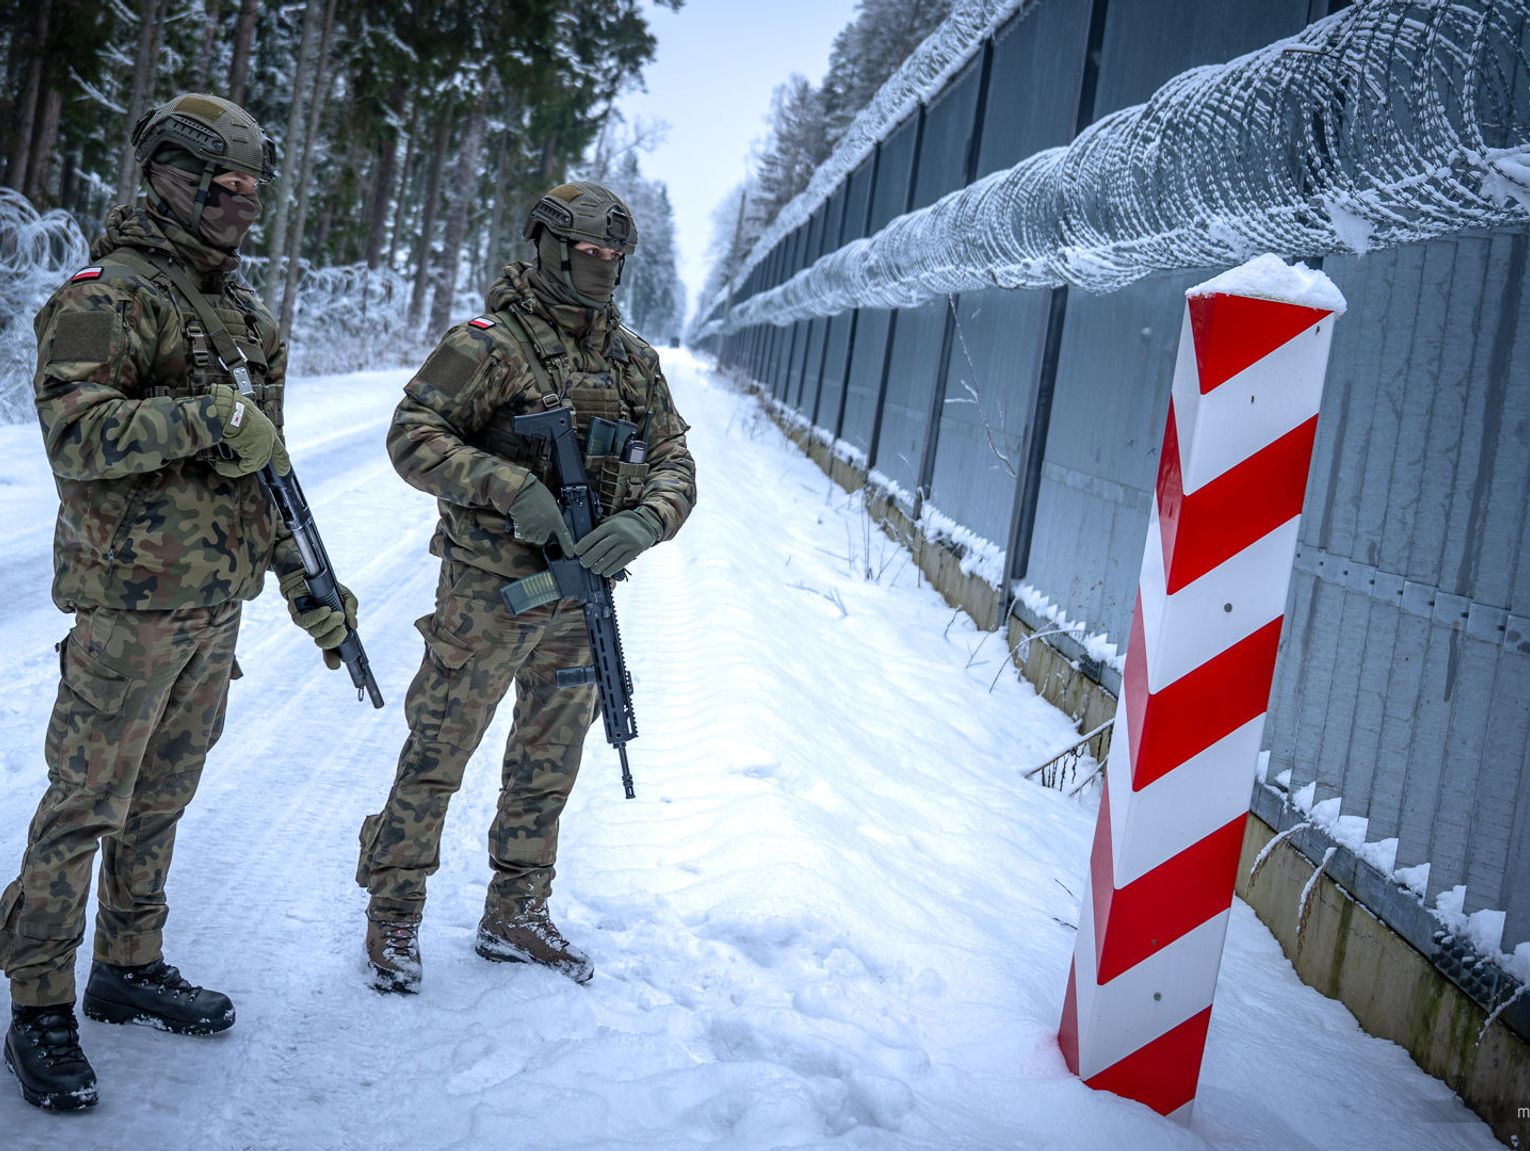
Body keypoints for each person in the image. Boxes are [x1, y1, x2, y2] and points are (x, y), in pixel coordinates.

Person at [0, 93, 357, 1112]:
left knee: (161, 799)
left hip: (213, 605)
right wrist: (209, 413)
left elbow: (268, 473)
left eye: (253, 188)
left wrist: (309, 587)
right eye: (223, 186)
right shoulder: (107, 294)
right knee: (83, 804)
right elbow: (76, 435)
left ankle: (128, 962)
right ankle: (36, 1003)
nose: (242, 205)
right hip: (125, 603)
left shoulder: (246, 317)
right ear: (168, 172)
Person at [355, 182, 696, 994]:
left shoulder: (631, 359)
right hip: (489, 589)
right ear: (546, 246)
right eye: (587, 252)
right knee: (439, 748)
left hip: (582, 594)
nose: (602, 268)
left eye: (615, 255)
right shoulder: (490, 344)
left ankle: (517, 909)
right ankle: (394, 906)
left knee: (549, 758)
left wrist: (647, 519)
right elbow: (412, 435)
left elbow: (677, 460)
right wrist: (507, 485)